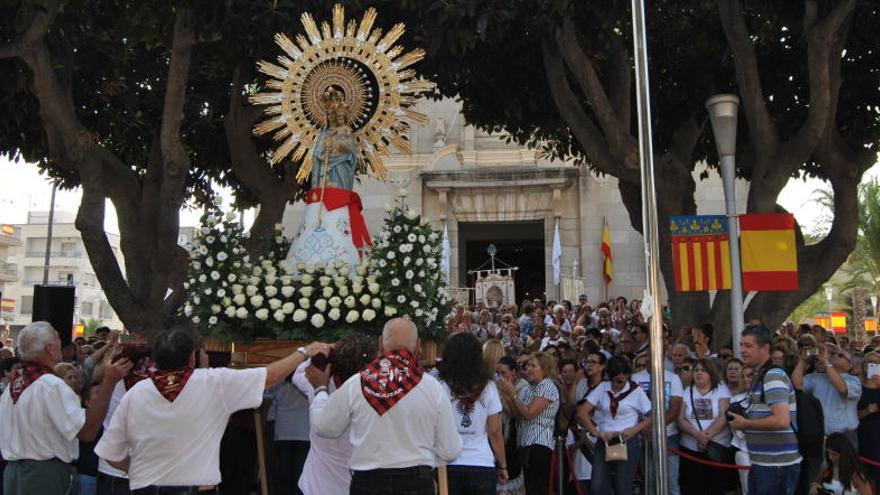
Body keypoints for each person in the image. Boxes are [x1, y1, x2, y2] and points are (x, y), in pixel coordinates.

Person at [95, 329, 325, 493]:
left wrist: (140, 470)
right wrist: (304, 351)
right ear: (192, 357)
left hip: (145, 486)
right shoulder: (213, 382)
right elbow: (270, 376)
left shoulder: (137, 392)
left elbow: (110, 453)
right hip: (195, 487)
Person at [307, 318, 461, 495]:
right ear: (419, 346)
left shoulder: (356, 383)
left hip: (368, 483)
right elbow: (450, 450)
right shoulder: (433, 388)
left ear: (380, 344)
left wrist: (320, 390)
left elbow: (324, 427)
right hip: (416, 482)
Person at [0, 322, 131, 495]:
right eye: (58, 337)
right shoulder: (51, 385)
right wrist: (108, 383)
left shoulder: (13, 386)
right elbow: (87, 432)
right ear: (50, 348)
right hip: (46, 475)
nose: (61, 343)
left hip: (13, 472)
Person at [291, 333, 377, 495]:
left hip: (316, 485)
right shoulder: (374, 393)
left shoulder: (316, 382)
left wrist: (325, 348)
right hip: (351, 484)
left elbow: (298, 373)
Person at [727, 325, 801, 495]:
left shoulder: (772, 376)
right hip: (763, 462)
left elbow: (782, 420)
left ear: (765, 348)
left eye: (748, 346)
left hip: (776, 466)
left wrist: (745, 423)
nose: (743, 350)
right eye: (741, 345)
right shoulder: (760, 375)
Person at [438, 333, 508, 494]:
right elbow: (495, 431)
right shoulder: (489, 387)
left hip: (449, 464)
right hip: (481, 462)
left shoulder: (441, 387)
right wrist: (503, 465)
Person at [577, 355, 652, 495]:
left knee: (623, 487)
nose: (616, 384)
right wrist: (596, 432)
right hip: (605, 440)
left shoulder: (636, 391)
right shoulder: (603, 387)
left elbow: (653, 415)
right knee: (597, 486)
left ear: (627, 375)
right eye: (613, 380)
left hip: (627, 441)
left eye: (620, 380)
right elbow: (582, 412)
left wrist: (635, 429)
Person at [496, 352, 559, 495]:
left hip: (540, 446)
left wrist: (513, 394)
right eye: (528, 365)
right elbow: (518, 416)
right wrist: (508, 396)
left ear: (545, 368)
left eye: (533, 365)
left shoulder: (548, 386)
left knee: (538, 489)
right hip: (527, 445)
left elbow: (529, 414)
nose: (528, 369)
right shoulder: (532, 388)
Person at [631, 349, 684, 495]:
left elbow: (674, 408)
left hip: (669, 436)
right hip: (642, 437)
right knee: (649, 481)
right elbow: (631, 408)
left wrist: (655, 428)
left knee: (672, 481)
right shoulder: (635, 378)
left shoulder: (673, 378)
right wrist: (642, 429)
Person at [677, 358, 731, 495]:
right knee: (693, 488)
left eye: (703, 370)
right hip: (690, 449)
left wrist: (705, 437)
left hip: (715, 448)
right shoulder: (687, 391)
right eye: (696, 370)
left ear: (711, 373)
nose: (699, 373)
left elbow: (723, 416)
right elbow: (681, 418)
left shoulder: (721, 390)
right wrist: (697, 435)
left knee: (716, 487)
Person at [793, 344, 862, 441]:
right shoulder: (818, 377)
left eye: (840, 355)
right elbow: (797, 385)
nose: (835, 356)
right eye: (834, 354)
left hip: (845, 436)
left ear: (849, 366)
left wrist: (826, 362)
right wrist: (802, 360)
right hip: (822, 435)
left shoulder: (854, 380)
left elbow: (843, 389)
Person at [857, 351, 880, 488]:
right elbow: (851, 415)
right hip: (864, 434)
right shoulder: (856, 386)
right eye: (869, 362)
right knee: (866, 474)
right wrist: (867, 410)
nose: (873, 366)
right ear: (863, 366)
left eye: (877, 363)